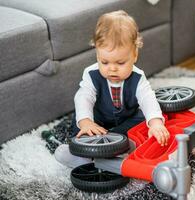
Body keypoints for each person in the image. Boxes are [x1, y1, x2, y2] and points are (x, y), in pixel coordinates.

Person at [55, 10, 170, 168]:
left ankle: (122, 144)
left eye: (120, 63)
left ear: (135, 55)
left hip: (126, 119)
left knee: (146, 114)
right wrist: (86, 122)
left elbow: (147, 98)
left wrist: (156, 123)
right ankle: (82, 153)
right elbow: (84, 96)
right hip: (99, 119)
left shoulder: (138, 76)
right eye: (105, 62)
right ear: (97, 56)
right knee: (80, 115)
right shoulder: (91, 74)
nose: (112, 69)